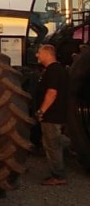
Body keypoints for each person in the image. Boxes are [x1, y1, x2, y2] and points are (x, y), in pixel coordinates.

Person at [35, 44, 70, 186]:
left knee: (52, 145)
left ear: (47, 54)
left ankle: (58, 175)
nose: (37, 55)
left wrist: (41, 110)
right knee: (58, 140)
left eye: (39, 53)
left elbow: (52, 92)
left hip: (51, 115)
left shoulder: (53, 71)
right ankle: (72, 146)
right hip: (58, 113)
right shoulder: (58, 70)